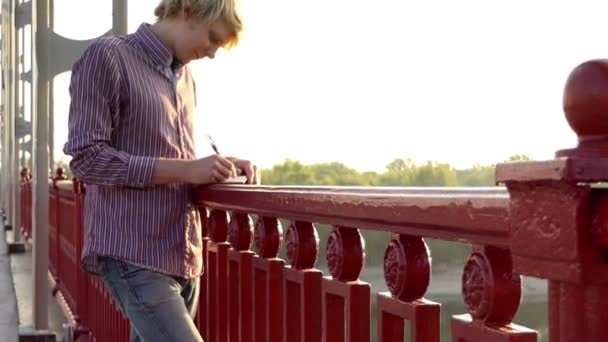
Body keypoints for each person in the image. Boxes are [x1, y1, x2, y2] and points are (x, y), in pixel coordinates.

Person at [63, 0, 257, 340]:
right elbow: (86, 159)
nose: (212, 53)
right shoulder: (108, 57)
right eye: (212, 38)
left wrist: (221, 166)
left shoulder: (185, 77)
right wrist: (187, 170)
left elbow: (172, 153)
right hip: (132, 250)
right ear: (187, 10)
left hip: (183, 254)